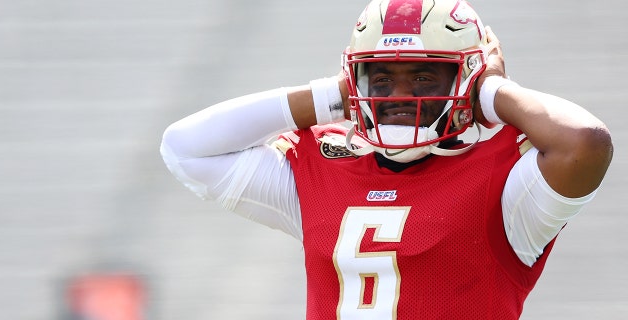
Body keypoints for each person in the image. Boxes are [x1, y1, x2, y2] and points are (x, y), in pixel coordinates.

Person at [160, 0, 613, 318]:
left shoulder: (506, 178)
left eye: (422, 76)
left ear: (466, 80)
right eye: (380, 76)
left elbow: (586, 142)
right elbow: (185, 146)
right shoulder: (321, 164)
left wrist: (492, 92)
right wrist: (331, 97)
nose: (399, 96)